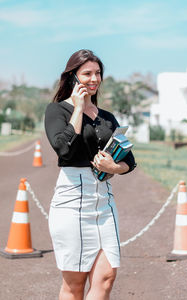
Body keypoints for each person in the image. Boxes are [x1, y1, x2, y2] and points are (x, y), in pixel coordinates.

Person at [44, 49, 136, 300]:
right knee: (75, 285)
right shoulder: (56, 111)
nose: (94, 79)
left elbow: (130, 160)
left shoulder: (108, 117)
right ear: (73, 77)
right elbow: (63, 147)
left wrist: (113, 168)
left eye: (98, 73)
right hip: (71, 202)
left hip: (105, 204)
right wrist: (77, 108)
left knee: (106, 278)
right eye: (87, 74)